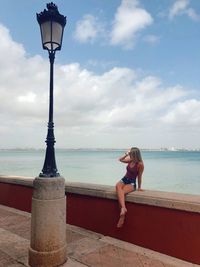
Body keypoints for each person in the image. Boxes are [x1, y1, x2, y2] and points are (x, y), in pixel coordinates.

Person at [116, 147, 144, 228]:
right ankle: (123, 209)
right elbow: (120, 159)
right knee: (118, 186)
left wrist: (139, 187)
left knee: (121, 193)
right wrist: (126, 154)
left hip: (131, 183)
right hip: (124, 179)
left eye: (131, 153)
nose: (130, 154)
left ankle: (122, 215)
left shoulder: (140, 164)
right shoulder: (130, 160)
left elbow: (139, 176)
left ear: (135, 154)